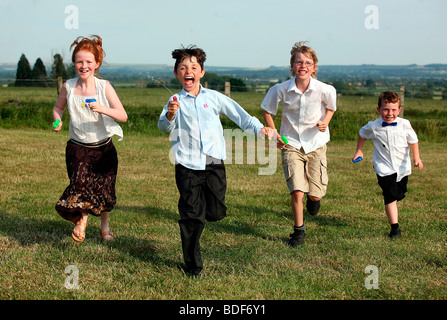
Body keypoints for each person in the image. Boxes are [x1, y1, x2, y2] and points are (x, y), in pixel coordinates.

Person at [158, 45, 273, 277]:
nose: (187, 71)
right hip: (187, 164)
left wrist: (262, 130)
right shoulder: (174, 101)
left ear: (202, 72)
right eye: (182, 68)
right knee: (191, 216)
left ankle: (208, 212)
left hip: (213, 162)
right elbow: (163, 125)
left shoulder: (214, 98)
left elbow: (241, 116)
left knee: (217, 211)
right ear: (176, 74)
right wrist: (170, 114)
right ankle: (193, 265)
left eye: (193, 67)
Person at [52, 35, 128, 243]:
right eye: (79, 62)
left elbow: (123, 115)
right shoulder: (68, 86)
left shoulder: (104, 87)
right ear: (74, 64)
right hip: (78, 147)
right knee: (80, 184)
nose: (83, 66)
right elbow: (58, 107)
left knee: (104, 189)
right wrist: (57, 120)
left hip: (103, 148)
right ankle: (82, 222)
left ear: (96, 64)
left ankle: (105, 229)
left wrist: (103, 109)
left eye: (88, 62)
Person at [261, 41, 337, 247]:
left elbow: (331, 108)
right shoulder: (281, 89)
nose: (303, 66)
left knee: (315, 192)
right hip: (291, 143)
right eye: (298, 62)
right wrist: (275, 133)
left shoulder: (325, 89)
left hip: (316, 143)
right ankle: (299, 231)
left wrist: (325, 123)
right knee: (297, 190)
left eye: (308, 62)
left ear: (314, 67)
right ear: (292, 66)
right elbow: (267, 111)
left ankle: (315, 199)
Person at [352, 91, 423, 238]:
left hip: (402, 167)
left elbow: (413, 140)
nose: (389, 113)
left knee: (399, 193)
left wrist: (416, 157)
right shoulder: (373, 126)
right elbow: (362, 134)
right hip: (383, 168)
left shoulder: (405, 124)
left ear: (399, 110)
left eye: (393, 110)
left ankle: (396, 200)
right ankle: (395, 228)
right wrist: (359, 151)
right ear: (378, 110)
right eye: (385, 109)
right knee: (390, 196)